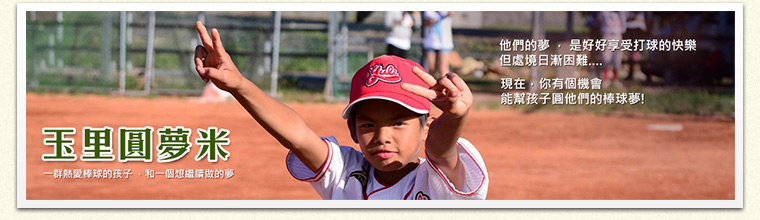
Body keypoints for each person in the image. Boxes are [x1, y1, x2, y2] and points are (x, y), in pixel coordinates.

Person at [193, 21, 488, 200]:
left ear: (426, 126)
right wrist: (239, 85)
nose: (382, 136)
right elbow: (298, 136)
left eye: (399, 123)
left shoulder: (438, 183)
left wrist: (454, 117)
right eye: (368, 125)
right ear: (353, 131)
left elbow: (442, 153)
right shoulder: (346, 173)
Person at [422, 11, 454, 77]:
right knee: (431, 69)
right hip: (430, 42)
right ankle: (432, 87)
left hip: (444, 42)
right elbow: (424, 23)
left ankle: (446, 86)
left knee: (443, 69)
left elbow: (451, 13)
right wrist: (431, 21)